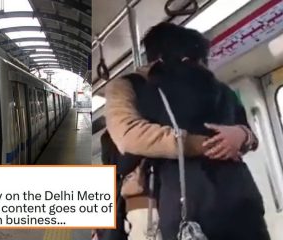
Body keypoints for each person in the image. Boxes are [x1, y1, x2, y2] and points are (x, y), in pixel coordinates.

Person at [105, 22, 268, 240]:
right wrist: (208, 144)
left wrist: (242, 136)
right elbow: (130, 135)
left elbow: (246, 132)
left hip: (182, 197)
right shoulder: (129, 86)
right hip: (148, 197)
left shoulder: (208, 88)